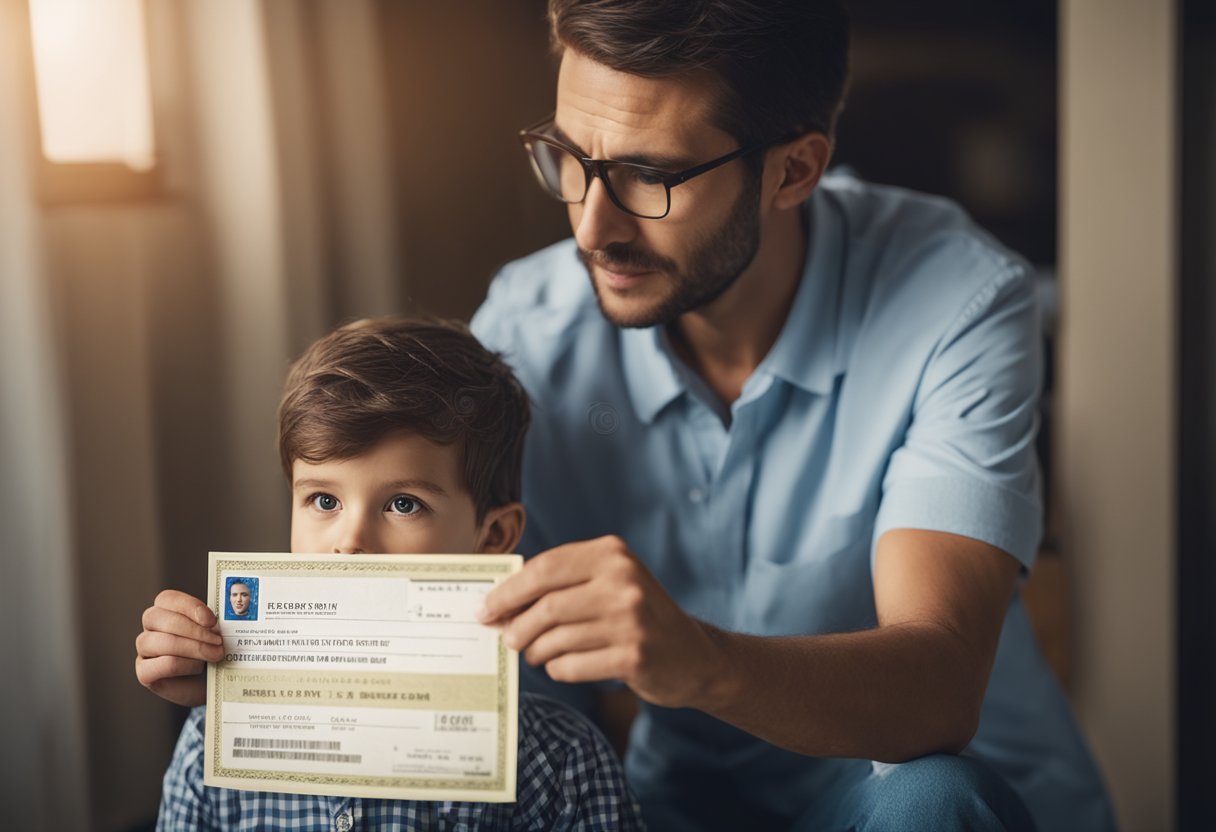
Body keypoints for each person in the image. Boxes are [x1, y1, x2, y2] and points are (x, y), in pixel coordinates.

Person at [465, 2, 1116, 831]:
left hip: (936, 802)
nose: (593, 228)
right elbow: (456, 622)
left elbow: (938, 689)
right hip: (681, 806)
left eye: (652, 176)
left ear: (795, 171)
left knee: (932, 796)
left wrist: (693, 659)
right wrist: (266, 656)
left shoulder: (958, 300)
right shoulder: (526, 332)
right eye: (568, 157)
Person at [141, 318, 644, 830]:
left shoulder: (562, 764)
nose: (350, 541)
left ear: (492, 538)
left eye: (404, 504)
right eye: (323, 499)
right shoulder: (215, 743)